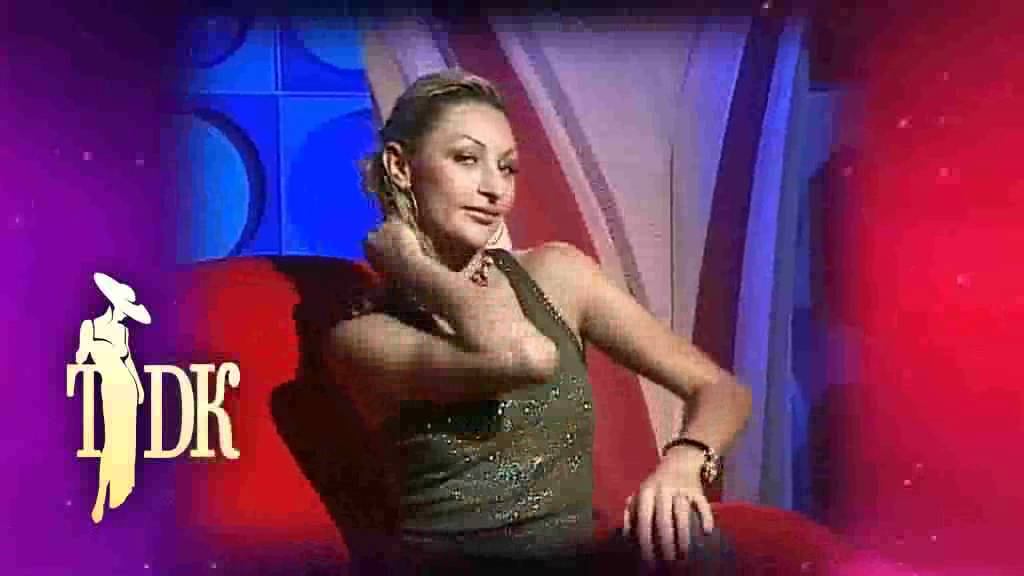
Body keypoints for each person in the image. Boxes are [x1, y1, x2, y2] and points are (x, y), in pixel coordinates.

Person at [327, 69, 753, 575]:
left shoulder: (557, 274)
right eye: (466, 159)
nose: (494, 188)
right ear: (400, 166)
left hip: (579, 562)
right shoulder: (364, 335)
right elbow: (524, 357)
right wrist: (415, 268)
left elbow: (721, 389)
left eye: (507, 168)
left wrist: (684, 460)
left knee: (691, 540)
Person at [75, 272, 151, 524]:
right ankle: (100, 496)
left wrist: (139, 388)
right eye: (123, 310)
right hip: (110, 389)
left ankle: (120, 497)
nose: (125, 316)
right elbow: (80, 358)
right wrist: (87, 349)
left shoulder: (123, 332)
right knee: (111, 443)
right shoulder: (90, 327)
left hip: (128, 388)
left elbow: (128, 361)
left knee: (127, 443)